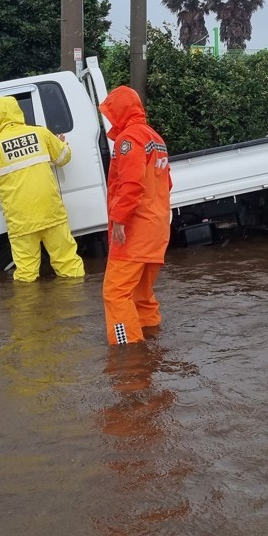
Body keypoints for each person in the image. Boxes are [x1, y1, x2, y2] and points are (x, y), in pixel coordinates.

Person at [0, 96, 85, 282]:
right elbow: (63, 158)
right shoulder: (41, 134)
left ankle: (27, 309)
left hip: (21, 219)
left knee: (26, 273)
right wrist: (62, 143)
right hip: (51, 212)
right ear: (18, 111)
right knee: (68, 262)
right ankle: (79, 304)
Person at [98, 85, 172, 346]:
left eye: (110, 113)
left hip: (134, 229)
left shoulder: (128, 140)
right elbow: (166, 184)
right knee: (141, 294)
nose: (108, 118)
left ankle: (128, 353)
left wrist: (119, 218)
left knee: (115, 293)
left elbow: (131, 184)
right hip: (156, 228)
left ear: (120, 112)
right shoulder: (155, 138)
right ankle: (151, 340)